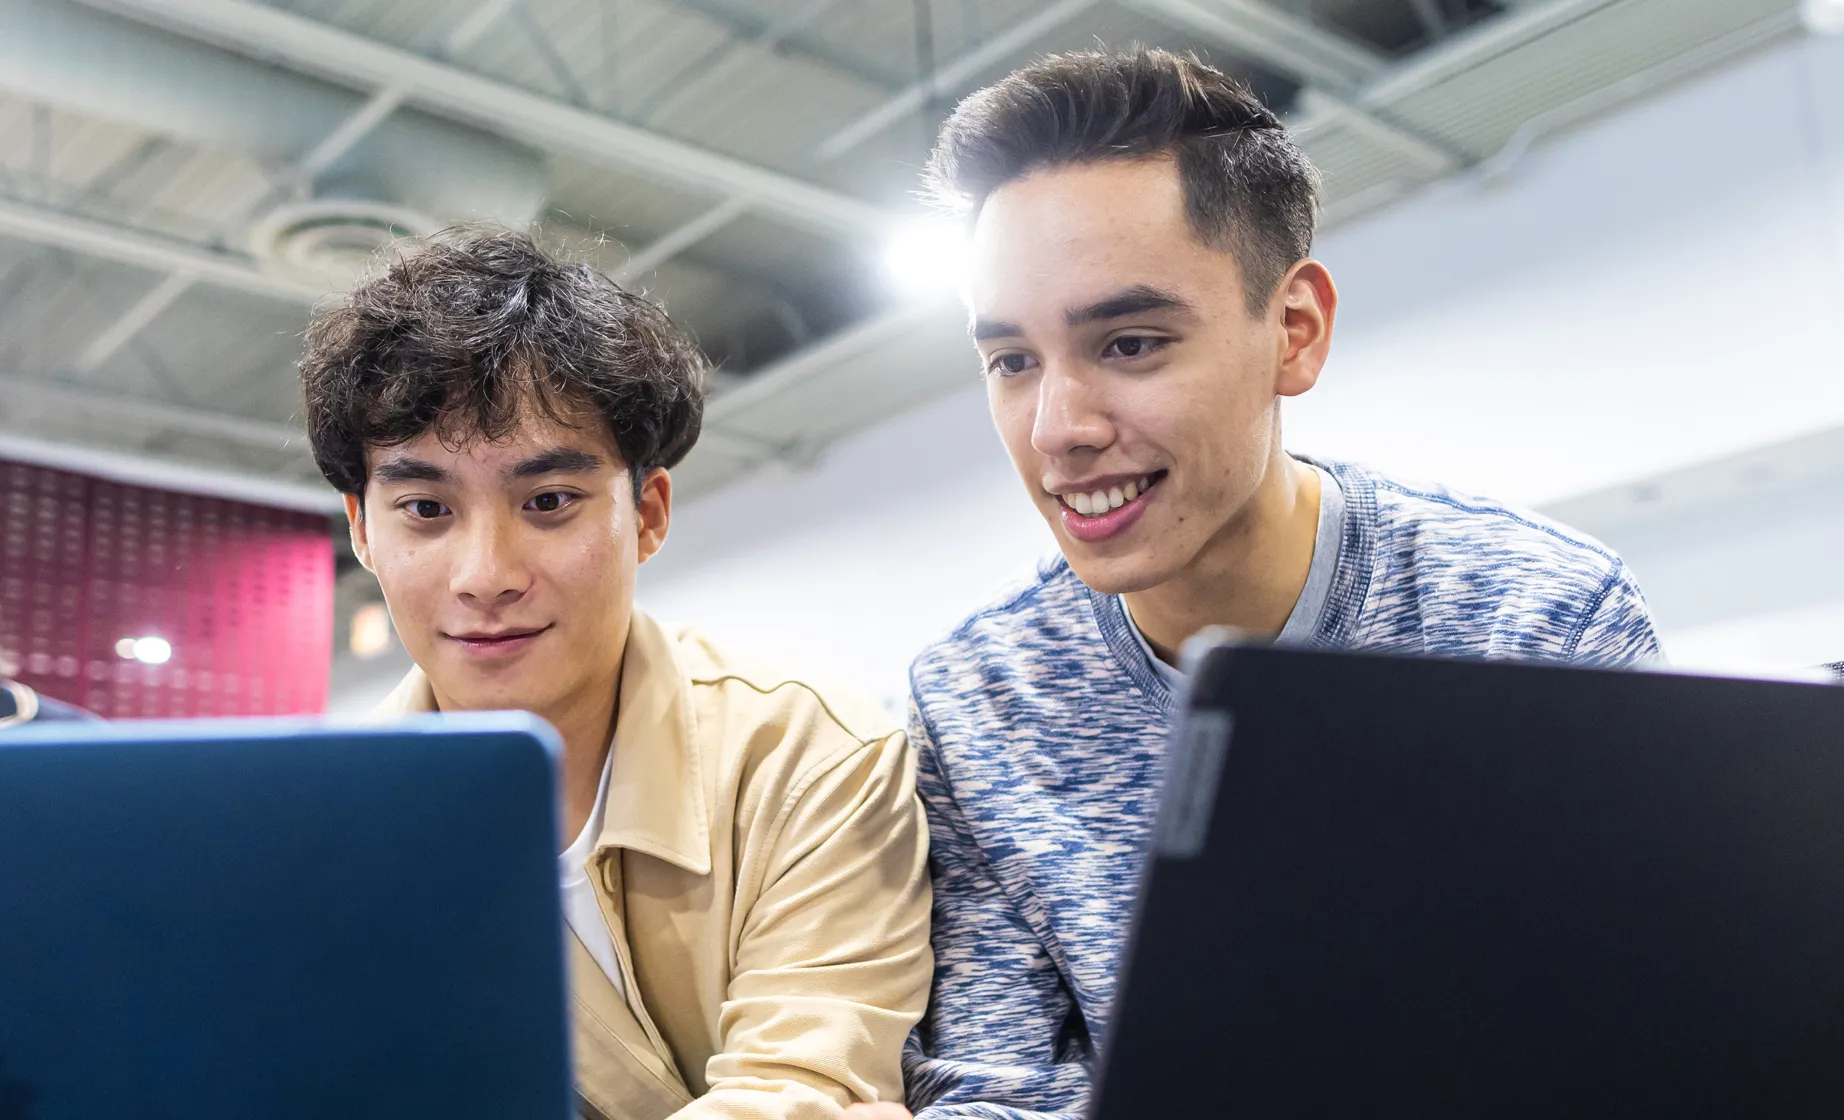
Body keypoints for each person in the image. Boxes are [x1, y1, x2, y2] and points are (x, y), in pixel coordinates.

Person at [847, 48, 1663, 1120]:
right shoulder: (975, 699)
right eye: (1010, 361)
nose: (1057, 430)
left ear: (1293, 330)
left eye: (1128, 343)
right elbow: (992, 1094)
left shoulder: (1540, 619)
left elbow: (1648, 1038)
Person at [299, 227, 932, 1120]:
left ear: (648, 512)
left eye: (549, 502)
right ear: (364, 532)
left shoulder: (802, 751)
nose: (486, 574)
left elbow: (808, 1089)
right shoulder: (322, 833)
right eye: (426, 509)